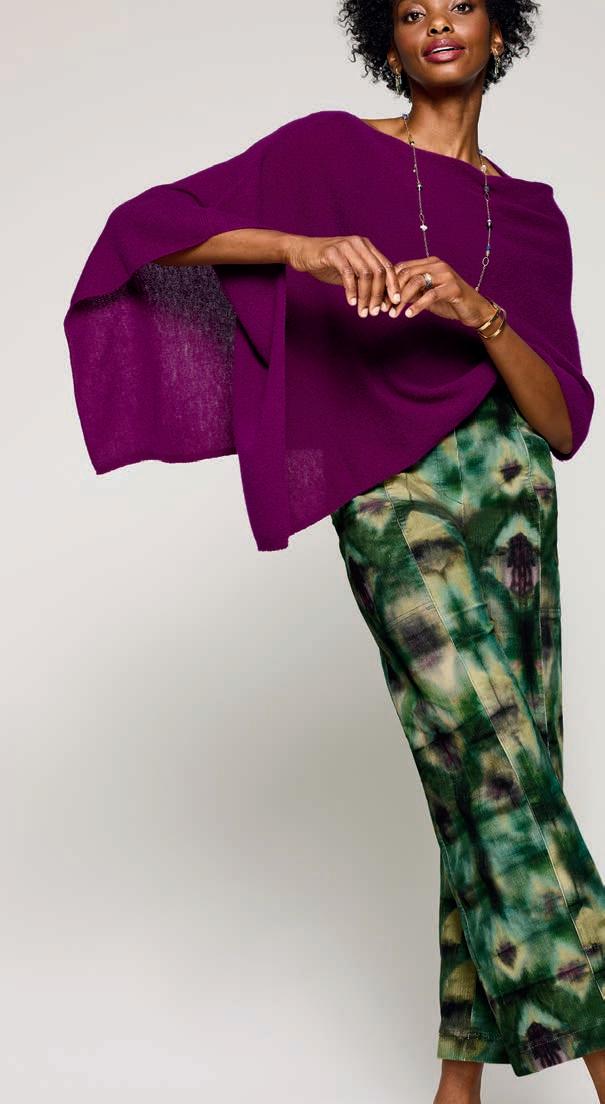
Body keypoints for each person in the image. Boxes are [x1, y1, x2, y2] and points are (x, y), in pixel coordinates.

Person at [63, 0, 605, 1099]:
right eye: (410, 10)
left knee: (497, 775)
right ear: (386, 42)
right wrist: (294, 246)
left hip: (509, 494)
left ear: (498, 32)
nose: (436, 23)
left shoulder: (532, 216)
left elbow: (558, 422)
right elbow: (144, 232)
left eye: (459, 3)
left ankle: (457, 1084)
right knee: (490, 761)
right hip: (392, 497)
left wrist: (480, 311)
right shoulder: (326, 151)